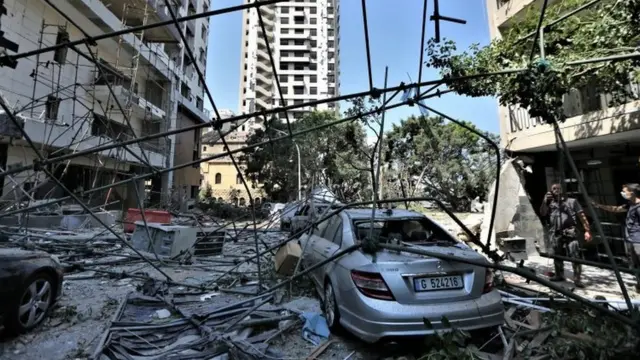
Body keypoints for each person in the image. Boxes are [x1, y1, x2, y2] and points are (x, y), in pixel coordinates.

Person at [540, 183, 592, 288]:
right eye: (554, 189)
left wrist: (587, 230)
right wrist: (544, 201)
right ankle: (559, 275)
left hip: (570, 232)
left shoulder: (571, 201)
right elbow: (542, 213)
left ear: (562, 190)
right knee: (557, 256)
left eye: (559, 188)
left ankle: (577, 278)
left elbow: (582, 216)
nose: (556, 190)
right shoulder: (551, 203)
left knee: (575, 255)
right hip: (556, 233)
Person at [592, 183, 640, 293]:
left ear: (632, 192)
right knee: (634, 263)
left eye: (625, 191)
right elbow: (616, 209)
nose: (623, 194)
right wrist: (599, 206)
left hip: (638, 240)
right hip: (630, 239)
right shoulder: (630, 205)